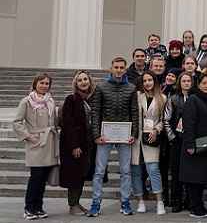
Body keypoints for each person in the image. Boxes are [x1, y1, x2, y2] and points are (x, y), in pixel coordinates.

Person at [88, 58, 139, 217]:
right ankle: (95, 203)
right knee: (99, 170)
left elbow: (134, 112)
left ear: (125, 70)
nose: (118, 70)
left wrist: (134, 133)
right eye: (116, 67)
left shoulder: (131, 88)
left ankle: (125, 202)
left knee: (125, 171)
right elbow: (95, 112)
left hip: (124, 135)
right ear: (110, 68)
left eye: (121, 67)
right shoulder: (101, 87)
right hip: (105, 135)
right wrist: (96, 134)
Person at [13, 73, 59, 220]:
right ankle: (29, 207)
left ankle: (38, 207)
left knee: (44, 176)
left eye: (47, 83)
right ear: (35, 84)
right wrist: (28, 136)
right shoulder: (27, 101)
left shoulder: (50, 101)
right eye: (42, 83)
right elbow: (17, 122)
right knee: (36, 175)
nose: (44, 86)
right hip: (36, 143)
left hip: (49, 143)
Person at [58, 71, 95, 216]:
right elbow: (68, 123)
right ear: (76, 83)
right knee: (74, 174)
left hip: (89, 143)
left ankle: (77, 203)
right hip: (75, 144)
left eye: (85, 79)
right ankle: (73, 204)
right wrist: (74, 145)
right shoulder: (71, 99)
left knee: (82, 173)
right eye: (80, 80)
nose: (83, 82)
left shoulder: (92, 99)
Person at [180, 73, 207, 218]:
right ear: (198, 84)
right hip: (194, 145)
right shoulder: (193, 100)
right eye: (204, 83)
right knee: (193, 178)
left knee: (200, 178)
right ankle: (194, 207)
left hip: (205, 145)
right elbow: (189, 123)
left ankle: (199, 205)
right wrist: (190, 144)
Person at [131, 71, 167, 215]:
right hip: (136, 138)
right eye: (145, 81)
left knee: (153, 169)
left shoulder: (162, 98)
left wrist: (156, 130)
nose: (147, 83)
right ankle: (140, 201)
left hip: (152, 138)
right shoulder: (137, 96)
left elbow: (164, 120)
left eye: (150, 80)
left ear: (155, 82)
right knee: (136, 170)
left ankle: (160, 202)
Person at [164, 72, 193, 213]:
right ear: (179, 83)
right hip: (177, 140)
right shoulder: (173, 99)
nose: (186, 83)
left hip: (191, 140)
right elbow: (166, 120)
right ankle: (176, 200)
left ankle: (189, 199)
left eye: (189, 81)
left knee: (190, 171)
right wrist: (172, 137)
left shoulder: (195, 99)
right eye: (184, 81)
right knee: (176, 171)